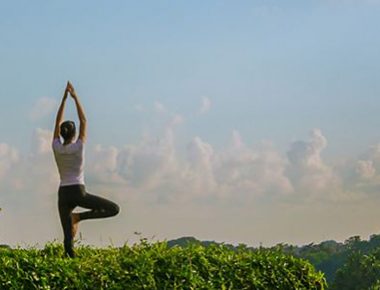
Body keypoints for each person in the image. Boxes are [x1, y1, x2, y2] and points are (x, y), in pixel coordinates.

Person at [52, 81, 120, 257]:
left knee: (68, 241)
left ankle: (71, 263)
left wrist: (63, 100)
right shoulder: (79, 147)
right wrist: (75, 97)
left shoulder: (56, 147)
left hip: (63, 194)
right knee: (114, 209)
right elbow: (84, 120)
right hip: (78, 192)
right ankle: (79, 217)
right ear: (74, 134)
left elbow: (56, 121)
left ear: (61, 134)